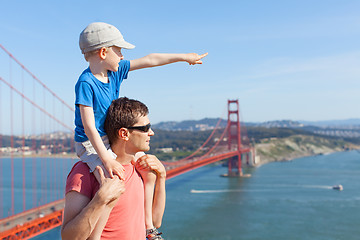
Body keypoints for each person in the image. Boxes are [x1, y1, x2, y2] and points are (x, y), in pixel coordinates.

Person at [74, 22, 207, 234]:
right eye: (118, 50)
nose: (121, 56)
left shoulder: (114, 72)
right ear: (103, 52)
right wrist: (106, 159)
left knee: (148, 169)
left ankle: (149, 228)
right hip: (91, 144)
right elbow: (89, 126)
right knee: (111, 185)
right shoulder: (86, 82)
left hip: (109, 140)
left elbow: (150, 59)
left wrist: (185, 57)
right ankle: (95, 237)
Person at [62, 97, 166, 240]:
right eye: (145, 128)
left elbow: (155, 222)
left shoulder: (139, 168)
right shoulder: (84, 172)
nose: (151, 133)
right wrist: (100, 199)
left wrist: (162, 177)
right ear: (124, 133)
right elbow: (68, 237)